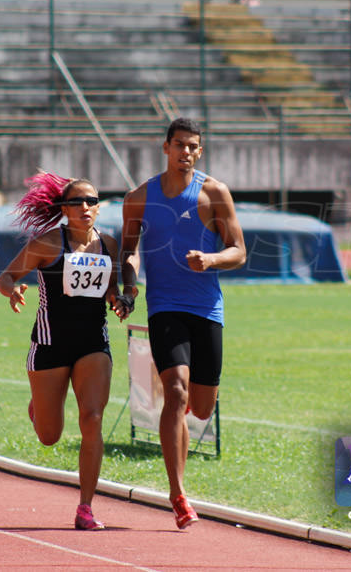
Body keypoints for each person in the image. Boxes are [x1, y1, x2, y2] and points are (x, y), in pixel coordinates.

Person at [118, 118, 246, 529]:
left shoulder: (214, 193)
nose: (185, 152)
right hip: (164, 306)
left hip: (206, 308)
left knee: (201, 407)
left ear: (200, 151)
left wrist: (210, 260)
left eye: (193, 146)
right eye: (179, 145)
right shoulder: (139, 198)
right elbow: (128, 253)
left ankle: (180, 415)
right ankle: (178, 494)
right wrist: (130, 286)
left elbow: (239, 251)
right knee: (174, 390)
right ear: (165, 148)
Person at [0, 172, 131, 531]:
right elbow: (5, 277)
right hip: (50, 345)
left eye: (91, 201)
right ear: (64, 209)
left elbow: (110, 288)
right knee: (49, 436)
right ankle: (39, 407)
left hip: (92, 344)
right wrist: (13, 290)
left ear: (99, 207)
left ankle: (85, 507)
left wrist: (119, 300)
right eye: (76, 202)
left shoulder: (110, 245)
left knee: (92, 418)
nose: (84, 207)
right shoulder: (47, 244)